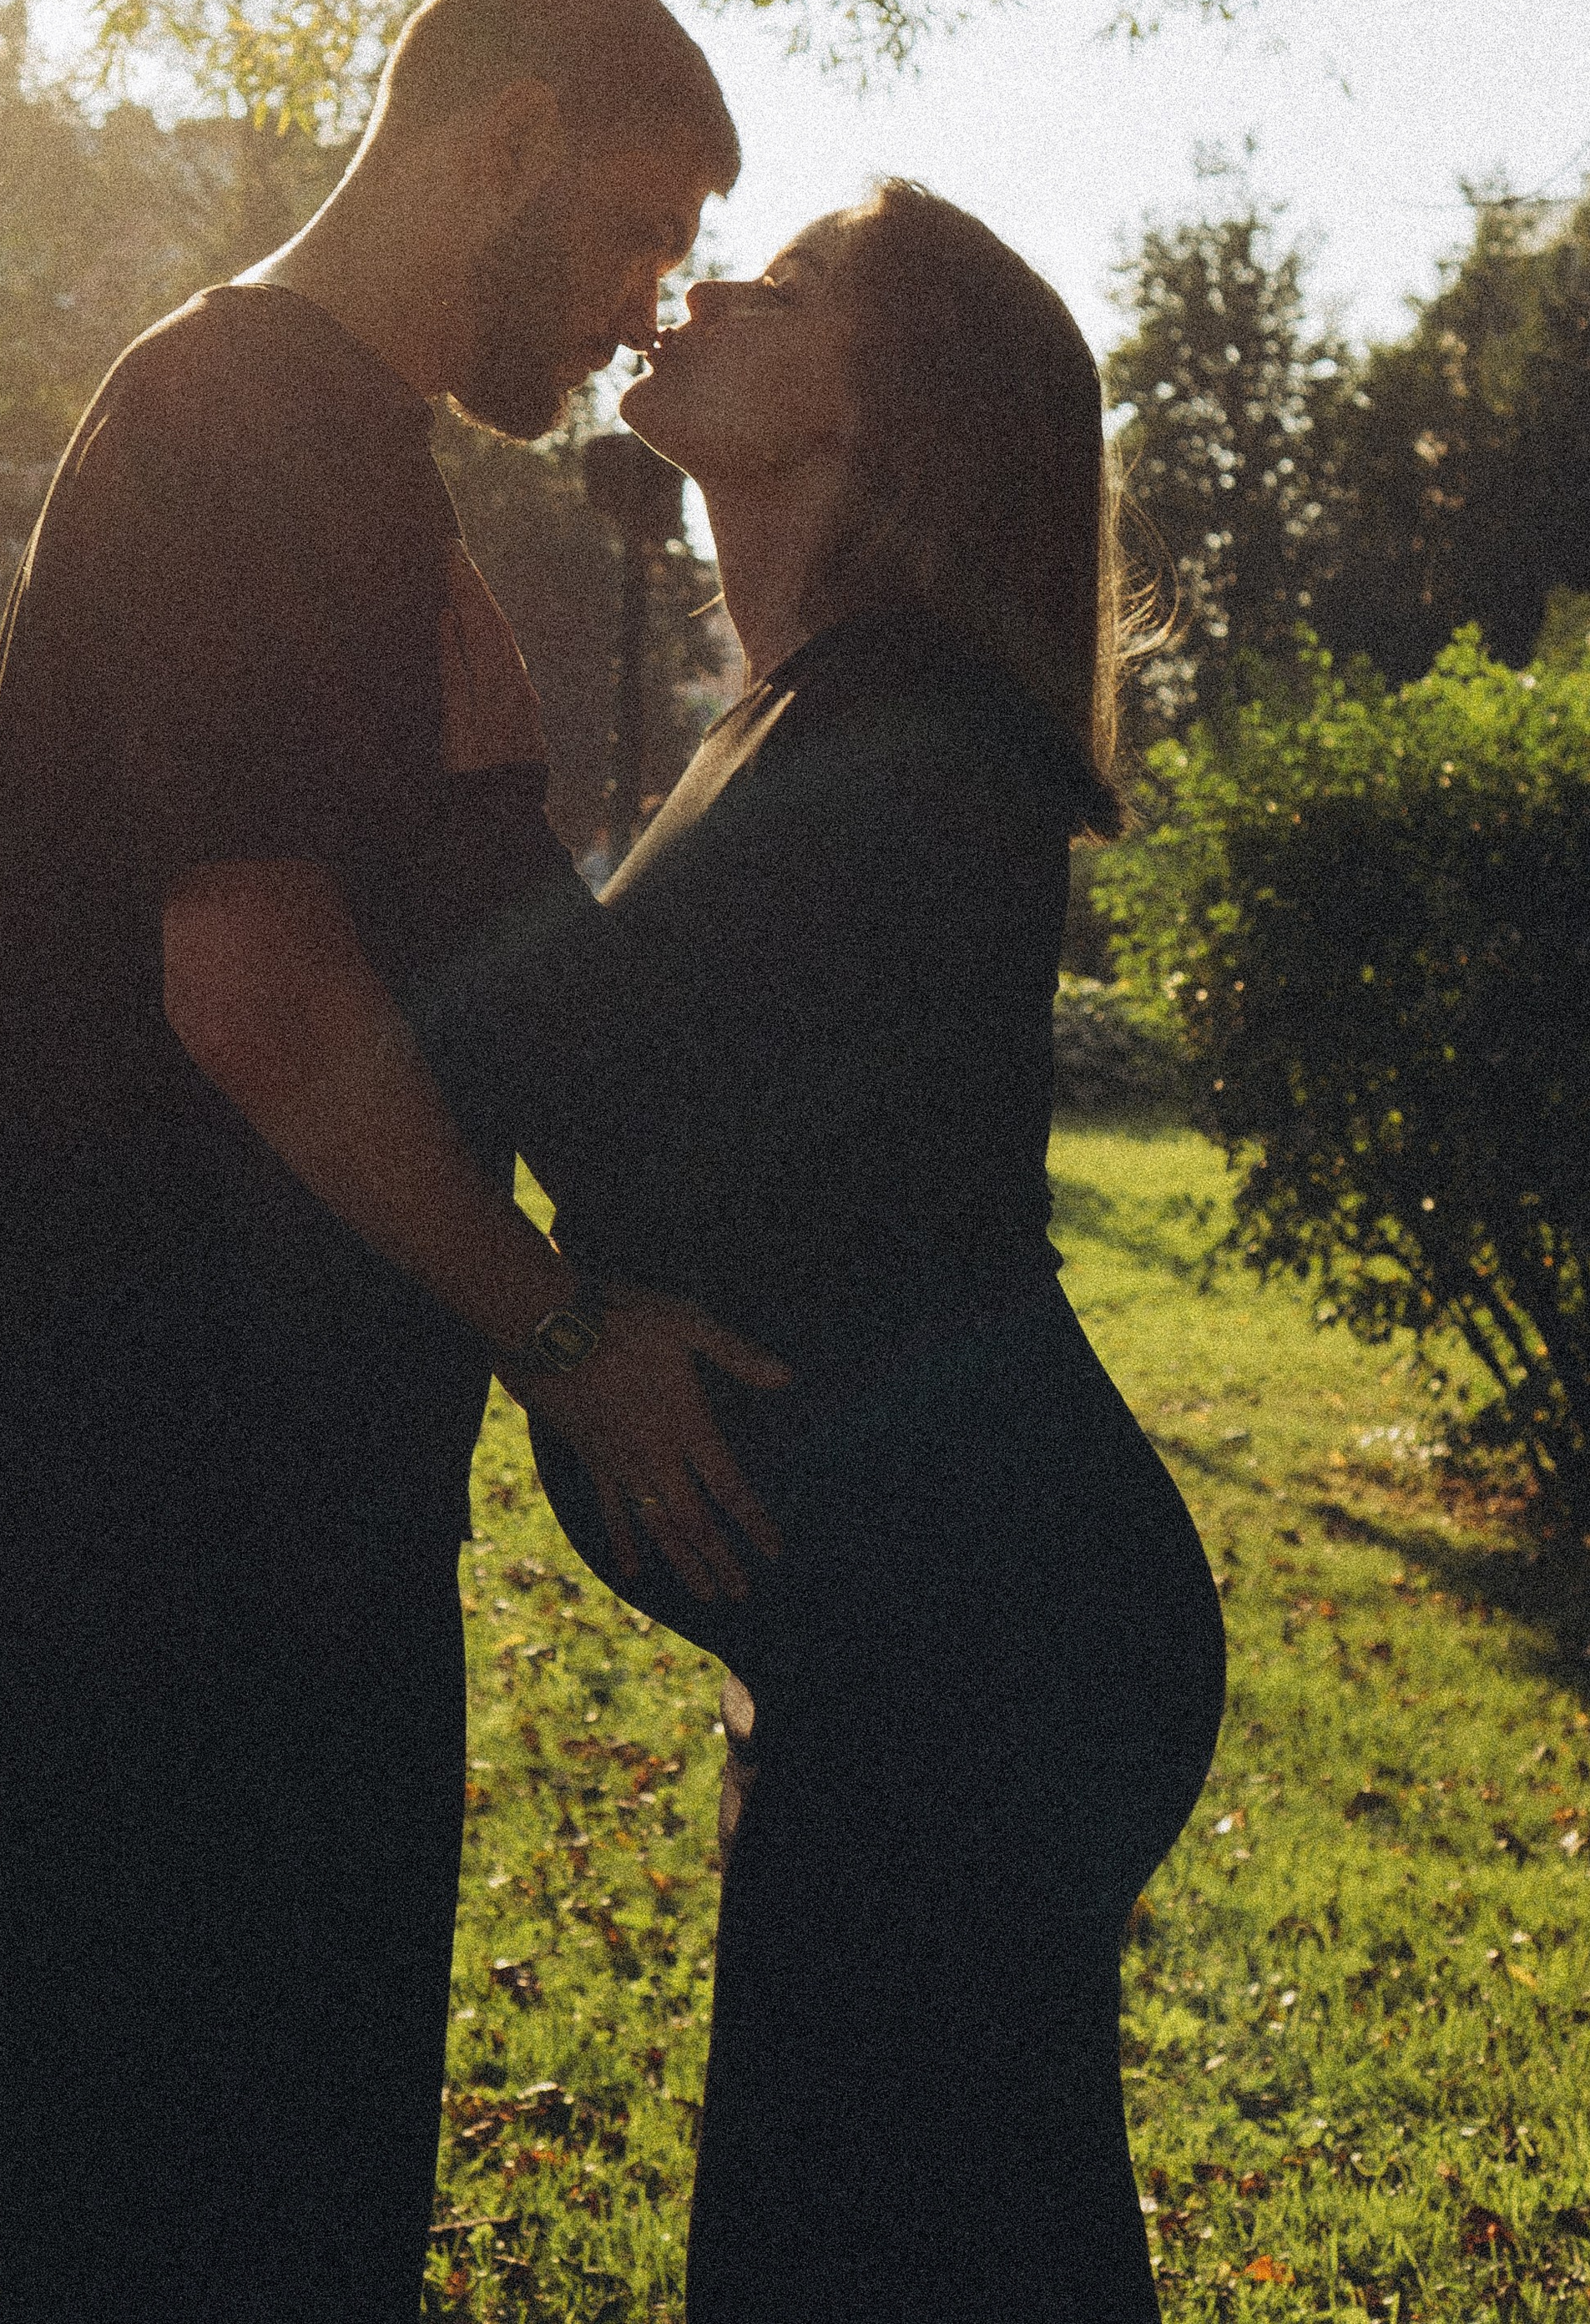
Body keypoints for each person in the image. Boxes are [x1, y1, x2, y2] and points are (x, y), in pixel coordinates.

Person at [0, 0, 791, 2323]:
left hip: (232, 1453)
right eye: (633, 231)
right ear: (499, 148)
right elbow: (250, 979)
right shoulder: (253, 424)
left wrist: (484, 805)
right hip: (147, 1452)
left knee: (278, 2171)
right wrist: (564, 1330)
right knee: (208, 2188)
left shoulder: (327, 456)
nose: (638, 308)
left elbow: (370, 946)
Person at [423, 182, 1229, 2323]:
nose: (692, 290)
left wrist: (452, 763)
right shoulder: (808, 717)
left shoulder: (911, 744)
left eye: (770, 284)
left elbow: (545, 1060)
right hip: (923, 1648)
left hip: (987, 1649)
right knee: (916, 2241)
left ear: (882, 421)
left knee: (875, 2246)